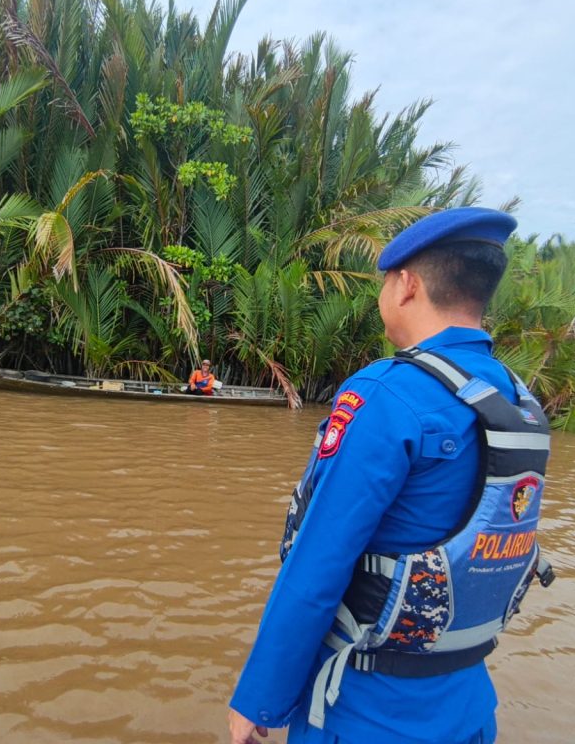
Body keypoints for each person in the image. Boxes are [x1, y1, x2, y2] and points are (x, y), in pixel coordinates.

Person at [227, 207, 553, 744]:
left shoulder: (387, 393)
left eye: (385, 282)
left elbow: (319, 560)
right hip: (470, 709)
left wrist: (260, 696)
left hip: (365, 711)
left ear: (407, 285)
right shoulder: (519, 401)